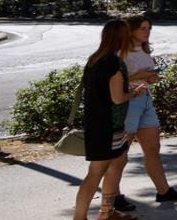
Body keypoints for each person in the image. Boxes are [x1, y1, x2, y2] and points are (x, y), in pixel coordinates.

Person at [73, 18, 145, 220]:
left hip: (97, 122)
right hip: (107, 126)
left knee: (119, 160)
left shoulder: (95, 59)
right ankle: (81, 217)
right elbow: (117, 98)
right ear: (121, 38)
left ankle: (106, 212)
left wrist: (125, 89)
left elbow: (104, 90)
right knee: (96, 171)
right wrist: (134, 93)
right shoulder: (114, 62)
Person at [118, 15, 177, 205]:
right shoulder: (121, 52)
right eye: (142, 28)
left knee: (153, 148)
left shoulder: (144, 50)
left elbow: (145, 76)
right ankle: (113, 196)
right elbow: (115, 81)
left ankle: (163, 191)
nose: (147, 31)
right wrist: (139, 76)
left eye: (149, 28)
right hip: (129, 102)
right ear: (131, 30)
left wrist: (151, 78)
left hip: (145, 100)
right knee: (121, 151)